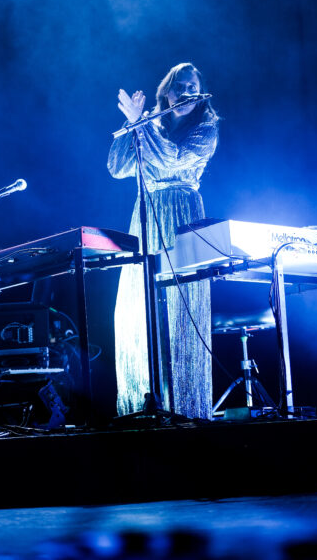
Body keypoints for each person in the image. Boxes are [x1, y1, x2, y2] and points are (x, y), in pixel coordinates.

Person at [107, 62, 219, 420]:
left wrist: (141, 124)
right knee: (136, 310)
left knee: (181, 313)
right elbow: (118, 168)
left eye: (191, 86)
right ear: (166, 93)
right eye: (178, 87)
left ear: (200, 93)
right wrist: (131, 125)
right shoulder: (151, 126)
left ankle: (186, 411)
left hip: (182, 215)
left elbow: (173, 160)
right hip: (146, 213)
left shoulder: (206, 128)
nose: (185, 92)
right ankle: (141, 408)